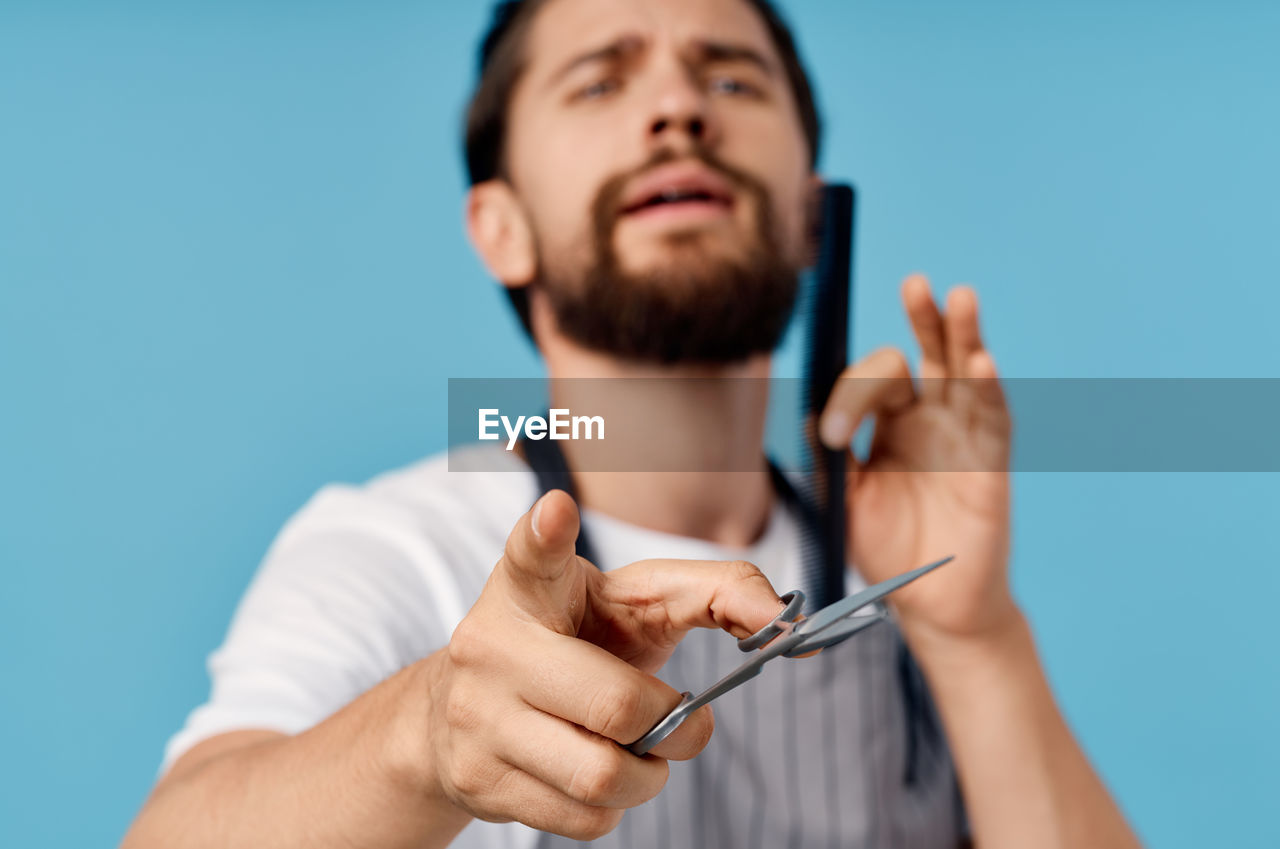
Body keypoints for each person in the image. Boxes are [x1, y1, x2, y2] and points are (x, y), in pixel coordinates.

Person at [122, 0, 1144, 847]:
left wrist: (975, 636)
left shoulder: (899, 581)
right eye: (601, 81)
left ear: (808, 215)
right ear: (501, 227)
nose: (677, 108)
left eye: (731, 78)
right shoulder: (397, 549)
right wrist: (424, 735)